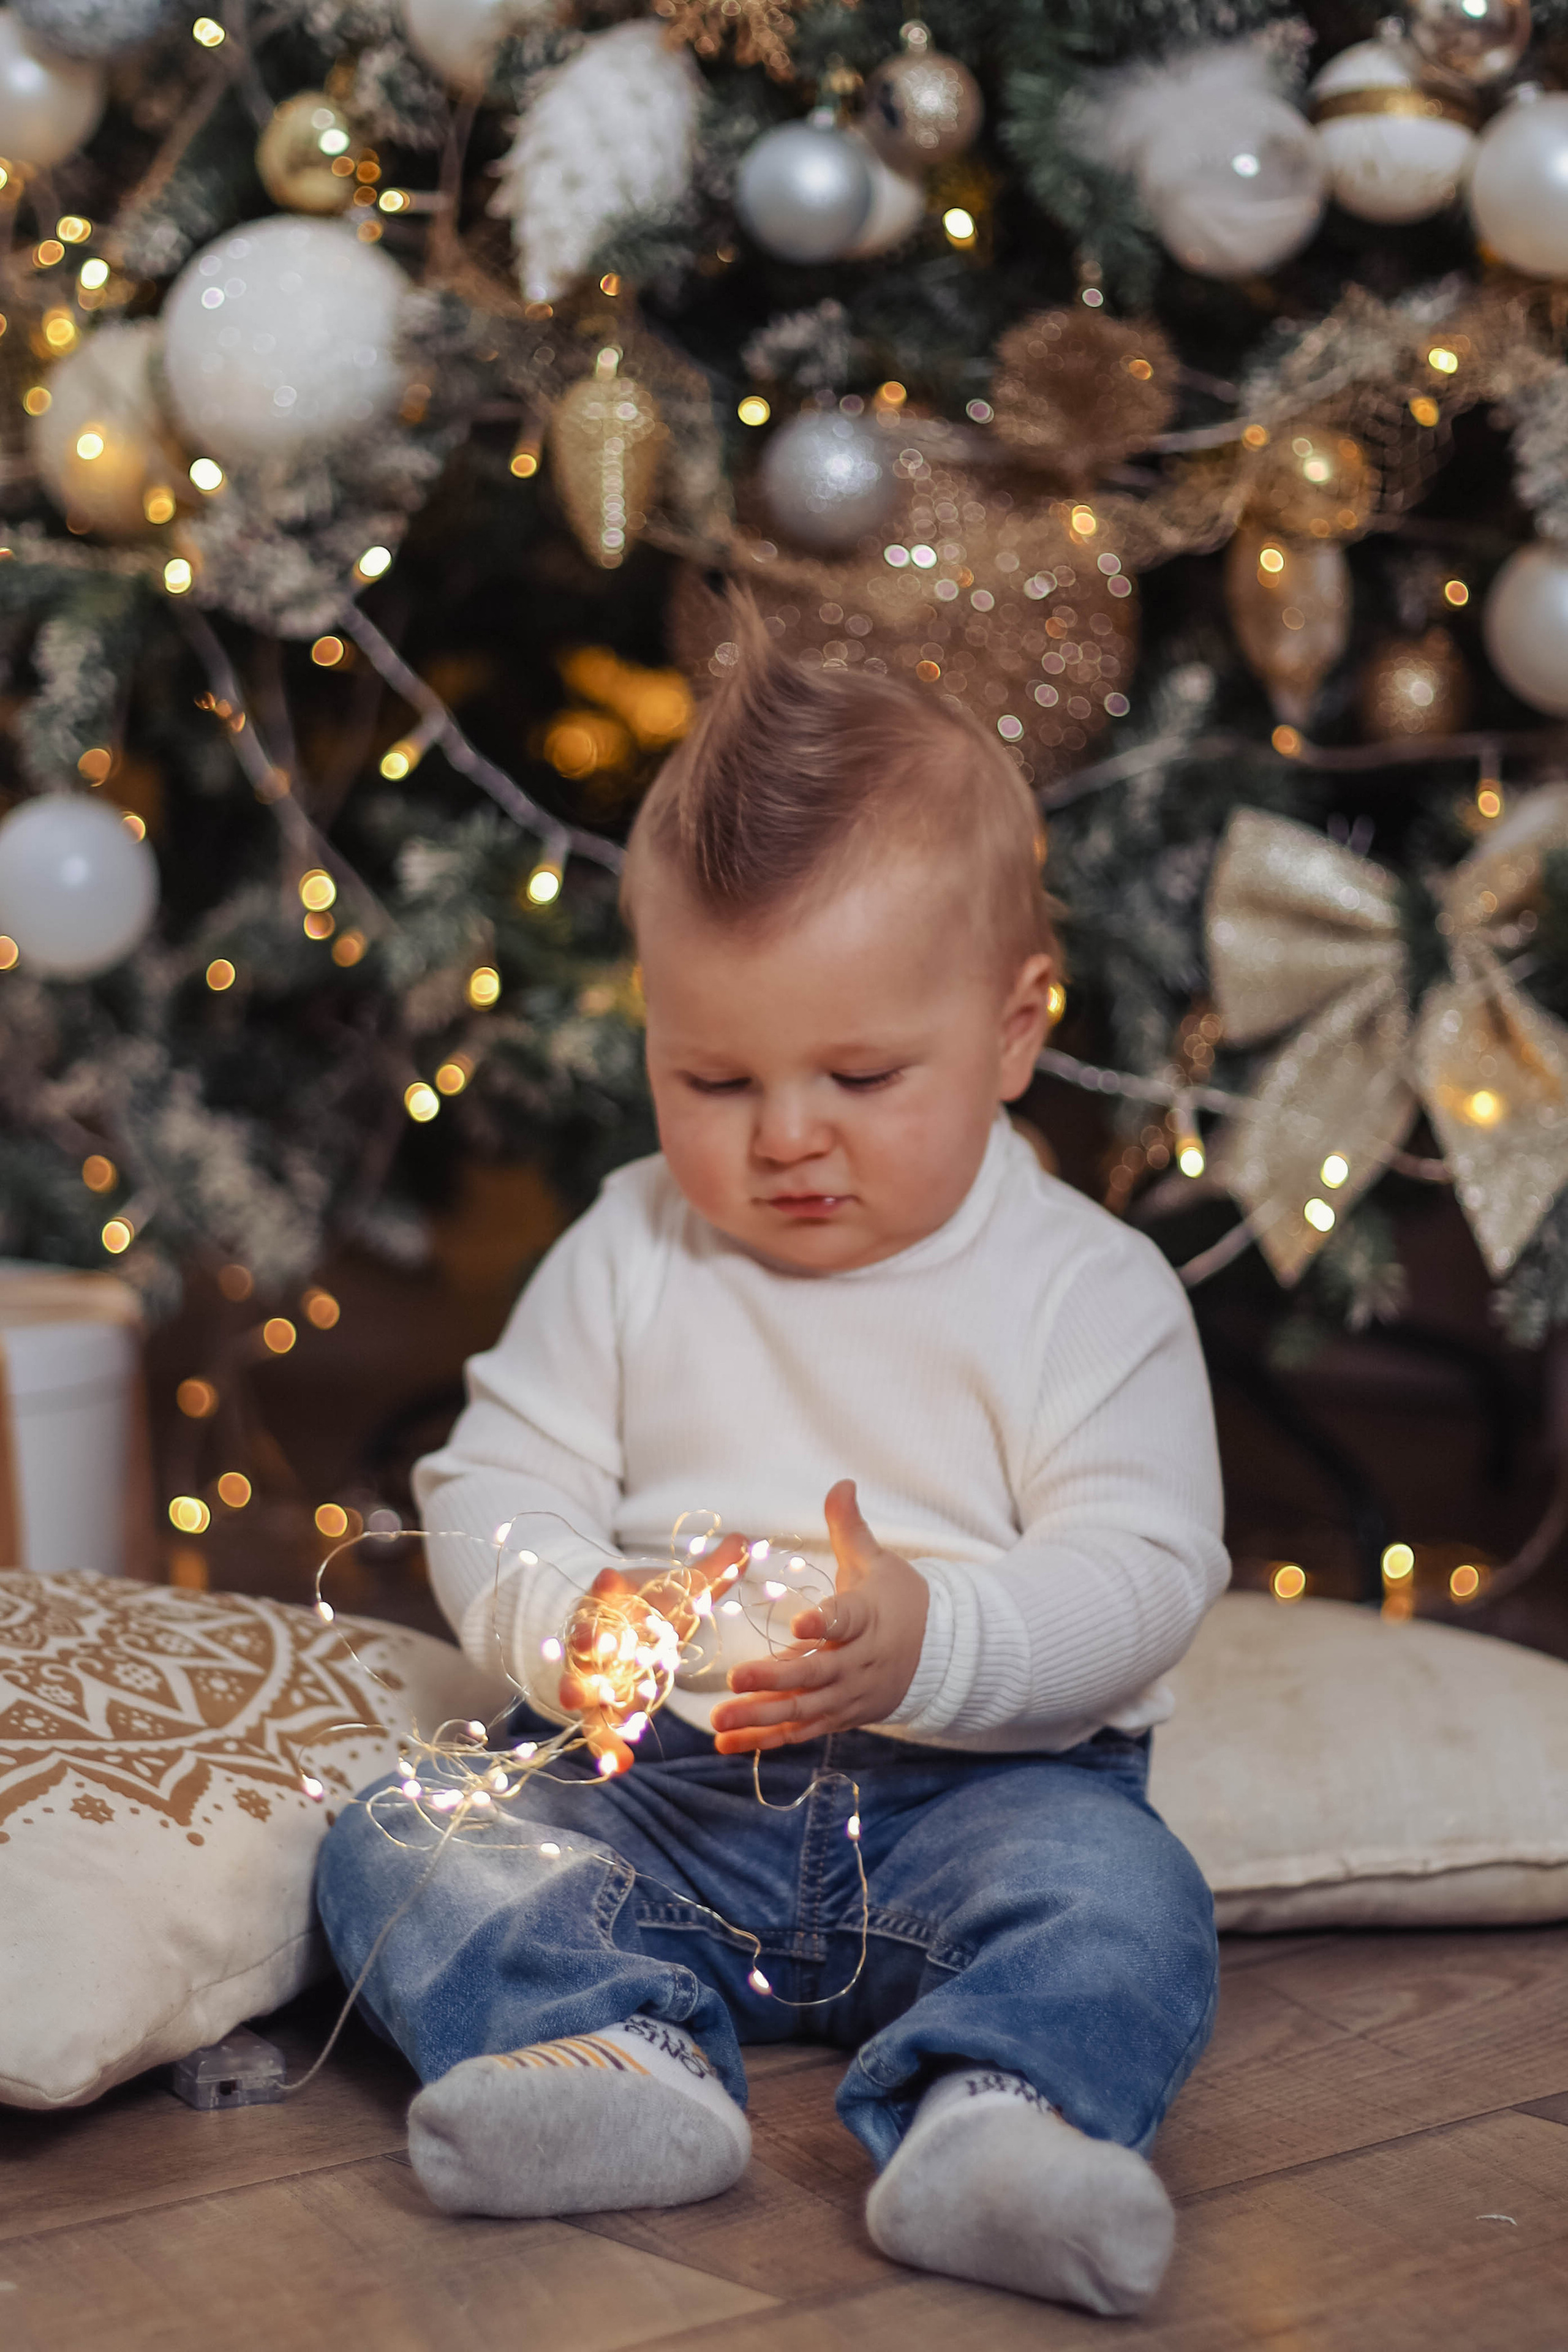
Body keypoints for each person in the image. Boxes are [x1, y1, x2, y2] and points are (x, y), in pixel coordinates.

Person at [315, 600, 1229, 2318]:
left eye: (863, 1074)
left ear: (1017, 1026)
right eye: (714, 1076)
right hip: (660, 1787)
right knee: (403, 1835)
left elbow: (1148, 1568)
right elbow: (491, 1482)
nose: (789, 1136)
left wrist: (940, 1642)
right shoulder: (630, 1249)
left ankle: (999, 2118)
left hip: (986, 1798)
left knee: (1129, 1902)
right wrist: (565, 1617)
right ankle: (613, 2052)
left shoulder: (1085, 1291)